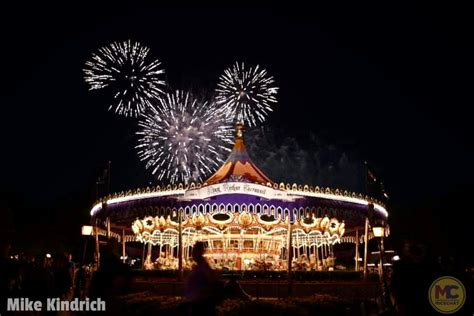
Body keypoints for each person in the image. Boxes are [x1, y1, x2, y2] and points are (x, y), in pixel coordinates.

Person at [185, 242, 223, 316]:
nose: (192, 254)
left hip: (201, 302)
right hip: (197, 301)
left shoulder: (203, 266)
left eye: (194, 251)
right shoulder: (199, 266)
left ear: (199, 252)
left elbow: (211, 280)